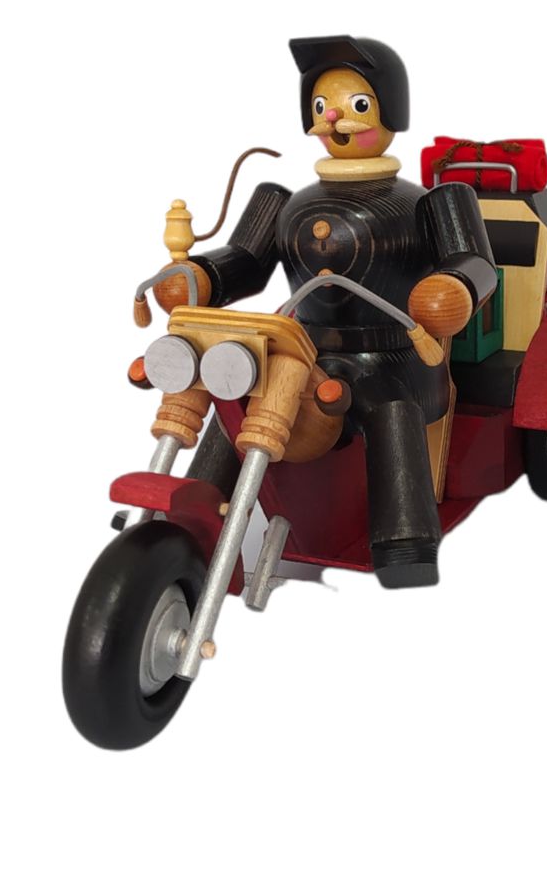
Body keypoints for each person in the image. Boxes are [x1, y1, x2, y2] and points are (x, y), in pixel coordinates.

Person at [185, 36, 496, 587]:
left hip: (395, 355)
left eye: (356, 104)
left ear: (390, 109)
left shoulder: (430, 201)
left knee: (391, 408)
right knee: (234, 388)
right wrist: (199, 275)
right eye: (321, 104)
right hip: (301, 352)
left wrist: (453, 287)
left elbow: (475, 263)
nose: (333, 117)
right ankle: (192, 517)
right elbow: (245, 261)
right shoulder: (285, 201)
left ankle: (405, 542)